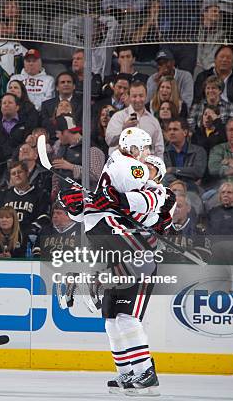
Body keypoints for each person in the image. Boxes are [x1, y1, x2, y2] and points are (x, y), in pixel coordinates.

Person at [57, 127, 168, 395]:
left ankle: (145, 372)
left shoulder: (160, 191)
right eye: (146, 159)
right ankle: (127, 373)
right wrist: (77, 207)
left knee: (128, 317)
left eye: (152, 169)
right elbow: (97, 212)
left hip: (141, 258)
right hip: (120, 253)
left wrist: (114, 200)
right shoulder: (124, 169)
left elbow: (150, 213)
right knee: (111, 318)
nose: (146, 168)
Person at [0, 161, 50, 236]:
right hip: (4, 236)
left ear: (27, 173)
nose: (17, 175)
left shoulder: (40, 194)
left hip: (29, 236)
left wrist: (26, 232)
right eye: (13, 174)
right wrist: (0, 231)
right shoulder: (2, 195)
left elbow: (44, 217)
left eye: (19, 172)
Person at [106, 81, 165, 158]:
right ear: (129, 96)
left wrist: (159, 168)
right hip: (121, 165)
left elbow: (159, 150)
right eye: (134, 96)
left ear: (146, 96)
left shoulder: (153, 121)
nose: (137, 99)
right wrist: (124, 129)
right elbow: (109, 141)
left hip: (145, 166)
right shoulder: (118, 117)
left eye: (141, 96)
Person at [193, 45, 233, 114]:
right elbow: (198, 98)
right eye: (221, 57)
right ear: (215, 60)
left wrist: (226, 110)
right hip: (207, 113)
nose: (224, 60)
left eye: (228, 58)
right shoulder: (203, 77)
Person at [162, 119, 207, 189]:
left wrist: (172, 170)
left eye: (175, 129)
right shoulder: (163, 152)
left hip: (193, 191)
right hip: (171, 187)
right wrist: (181, 184)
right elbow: (164, 173)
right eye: (169, 130)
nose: (171, 132)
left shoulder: (198, 151)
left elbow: (198, 171)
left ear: (185, 132)